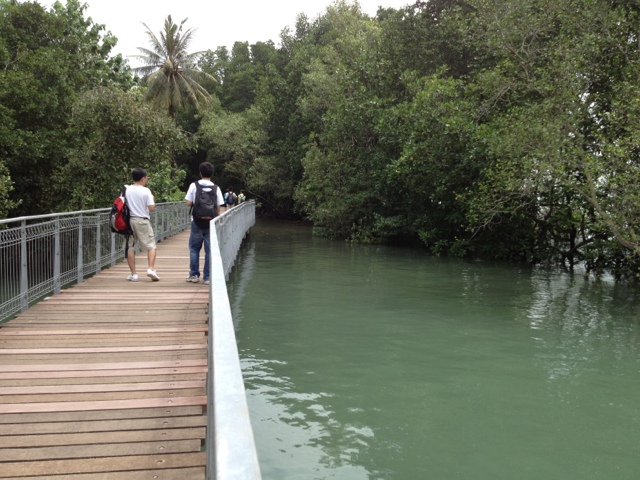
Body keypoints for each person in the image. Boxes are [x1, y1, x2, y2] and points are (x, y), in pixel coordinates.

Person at [185, 162, 224, 285]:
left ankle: (194, 275)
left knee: (194, 249)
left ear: (200, 173)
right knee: (209, 251)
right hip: (210, 223)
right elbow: (218, 206)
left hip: (196, 221)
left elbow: (188, 203)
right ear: (212, 174)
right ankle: (207, 277)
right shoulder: (216, 188)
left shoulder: (194, 185)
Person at [125, 168, 159, 282]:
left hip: (129, 221)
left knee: (130, 247)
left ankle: (134, 274)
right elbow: (151, 208)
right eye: (146, 177)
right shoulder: (146, 191)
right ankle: (151, 269)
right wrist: (152, 199)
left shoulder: (127, 189)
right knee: (151, 246)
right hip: (142, 221)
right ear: (143, 178)